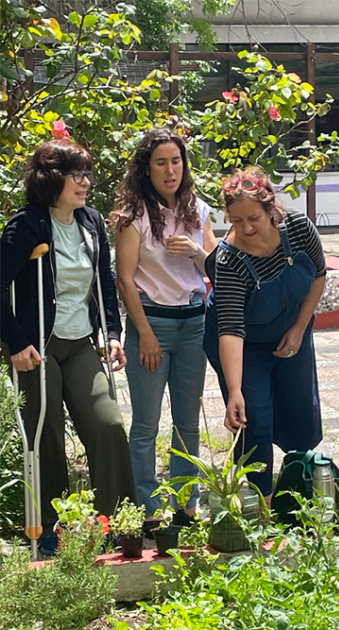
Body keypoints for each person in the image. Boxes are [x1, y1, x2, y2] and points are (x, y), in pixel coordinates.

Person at [0, 139, 135, 554]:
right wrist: (16, 342)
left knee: (108, 424)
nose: (85, 182)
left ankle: (120, 523)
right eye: (76, 174)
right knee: (47, 435)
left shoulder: (91, 222)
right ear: (51, 179)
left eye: (87, 173)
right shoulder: (27, 225)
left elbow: (104, 286)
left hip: (80, 343)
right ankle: (49, 533)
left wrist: (112, 333)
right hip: (36, 345)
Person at [112, 128, 218, 533]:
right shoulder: (133, 215)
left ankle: (186, 506)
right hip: (150, 324)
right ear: (147, 168)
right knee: (145, 424)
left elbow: (213, 268)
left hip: (193, 324)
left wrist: (196, 252)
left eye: (176, 161)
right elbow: (125, 279)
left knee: (187, 422)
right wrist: (144, 333)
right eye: (161, 162)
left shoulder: (197, 210)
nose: (170, 170)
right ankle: (148, 508)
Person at [203, 167, 327, 503]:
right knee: (254, 417)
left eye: (254, 218)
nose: (245, 228)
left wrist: (300, 329)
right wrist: (233, 391)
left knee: (299, 408)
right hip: (244, 345)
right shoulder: (228, 260)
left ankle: (301, 492)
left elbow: (318, 276)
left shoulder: (299, 228)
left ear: (272, 209)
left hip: (291, 329)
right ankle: (263, 506)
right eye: (236, 220)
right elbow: (230, 329)